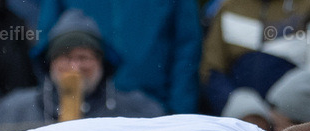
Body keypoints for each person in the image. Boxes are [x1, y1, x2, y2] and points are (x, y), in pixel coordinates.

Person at [0, 9, 164, 126]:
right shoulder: (14, 110)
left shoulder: (140, 112)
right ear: (50, 63)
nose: (75, 66)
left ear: (102, 63)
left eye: (84, 57)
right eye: (66, 57)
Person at [35, 0, 203, 114]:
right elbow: (51, 44)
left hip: (154, 104)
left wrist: (179, 114)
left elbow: (187, 46)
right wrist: (50, 104)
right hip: (85, 105)